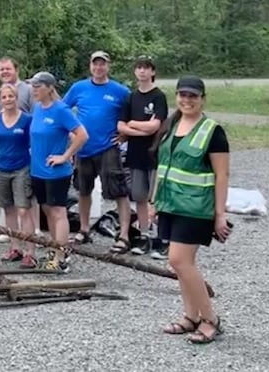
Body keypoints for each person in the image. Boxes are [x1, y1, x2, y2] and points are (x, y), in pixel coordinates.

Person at [151, 75, 230, 344]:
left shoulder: (212, 131)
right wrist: (154, 202)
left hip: (195, 207)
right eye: (183, 95)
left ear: (202, 99)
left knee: (178, 261)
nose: (187, 100)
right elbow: (163, 168)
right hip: (170, 204)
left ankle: (211, 320)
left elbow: (222, 175)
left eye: (193, 96)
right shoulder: (172, 124)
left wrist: (220, 214)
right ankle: (191, 316)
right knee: (184, 265)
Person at [62, 50, 131, 249]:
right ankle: (84, 230)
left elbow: (131, 114)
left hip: (108, 147)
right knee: (84, 190)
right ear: (90, 66)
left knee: (119, 191)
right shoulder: (79, 88)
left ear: (108, 66)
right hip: (83, 148)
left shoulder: (120, 91)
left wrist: (126, 133)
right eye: (95, 64)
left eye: (102, 64)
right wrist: (71, 135)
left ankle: (124, 234)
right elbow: (63, 110)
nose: (98, 68)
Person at [28, 72, 88, 272]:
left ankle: (62, 255)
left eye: (38, 86)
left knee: (58, 211)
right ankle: (55, 247)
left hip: (56, 171)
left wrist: (65, 155)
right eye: (33, 86)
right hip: (37, 170)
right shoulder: (38, 108)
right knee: (47, 210)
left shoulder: (61, 109)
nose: (34, 90)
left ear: (49, 88)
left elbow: (81, 135)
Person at [0, 56, 37, 234]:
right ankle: (13, 242)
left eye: (8, 68)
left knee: (25, 204)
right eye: (1, 69)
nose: (4, 72)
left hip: (23, 157)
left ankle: (34, 236)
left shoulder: (28, 90)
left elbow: (36, 124)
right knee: (7, 206)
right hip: (1, 157)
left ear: (16, 69)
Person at [117, 56, 168, 256]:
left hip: (154, 153)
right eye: (139, 68)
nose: (142, 72)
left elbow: (155, 126)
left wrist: (133, 125)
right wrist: (140, 129)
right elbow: (120, 125)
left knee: (156, 199)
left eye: (146, 68)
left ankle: (162, 238)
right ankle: (144, 235)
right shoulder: (131, 97)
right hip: (135, 154)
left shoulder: (158, 97)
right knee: (139, 196)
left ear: (153, 72)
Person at [0, 84, 36, 268]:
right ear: (0, 100)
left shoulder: (27, 120)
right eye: (4, 97)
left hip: (21, 167)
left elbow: (34, 144)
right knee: (8, 209)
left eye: (11, 96)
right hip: (1, 167)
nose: (8, 100)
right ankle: (15, 248)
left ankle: (30, 252)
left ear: (16, 97)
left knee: (23, 209)